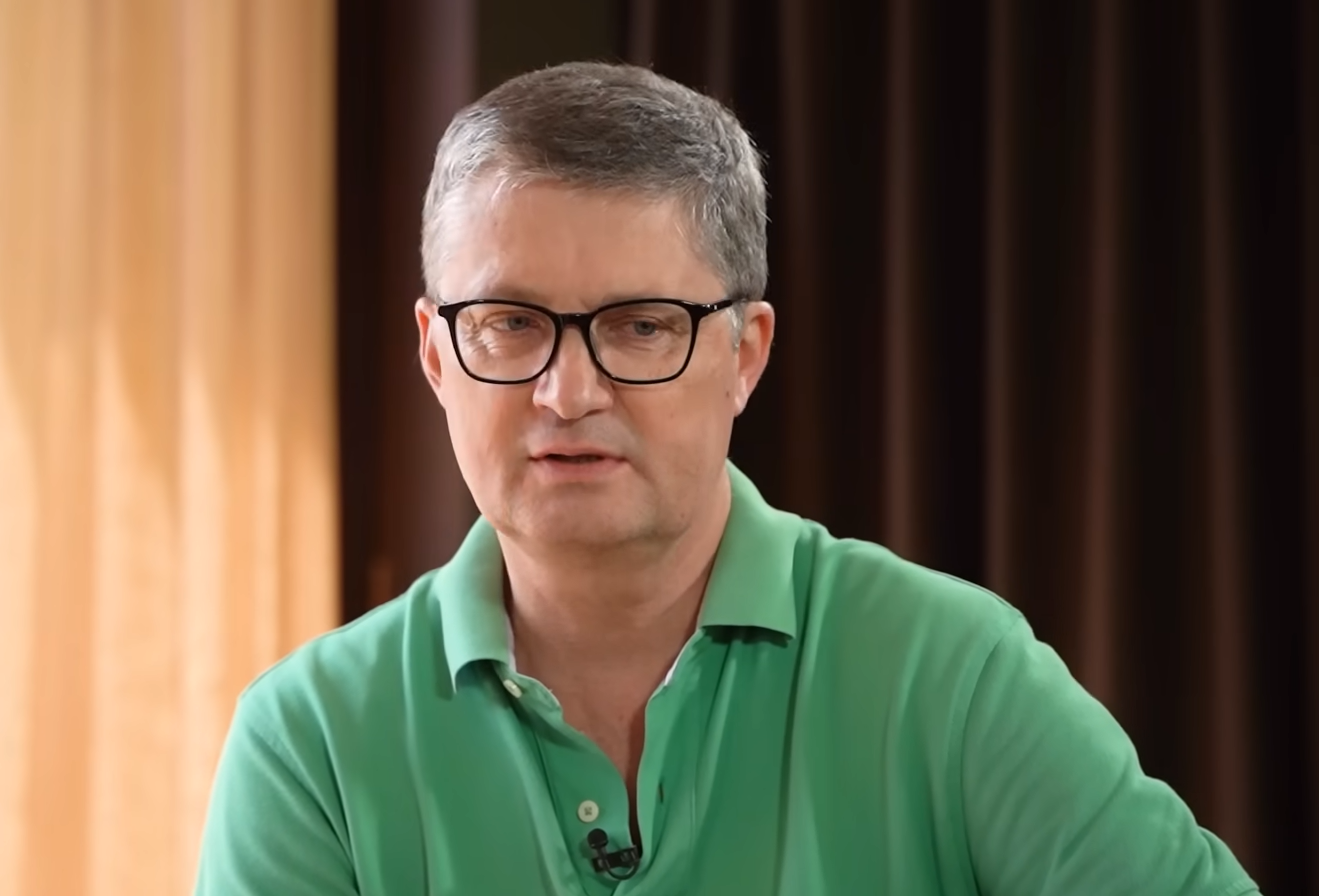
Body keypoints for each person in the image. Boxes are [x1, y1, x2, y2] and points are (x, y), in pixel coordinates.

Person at [194, 62, 1259, 895]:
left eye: (641, 326)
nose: (568, 391)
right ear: (436, 356)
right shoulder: (309, 743)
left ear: (744, 355)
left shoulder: (950, 672)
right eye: (510, 324)